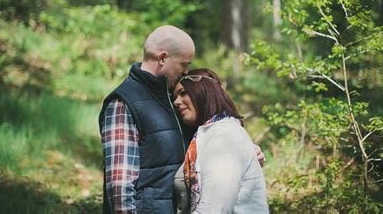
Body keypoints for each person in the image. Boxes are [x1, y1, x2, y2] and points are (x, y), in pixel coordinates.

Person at [99, 25, 265, 214]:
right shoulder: (123, 102)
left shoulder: (173, 98)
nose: (187, 72)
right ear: (162, 58)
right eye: (184, 65)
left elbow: (208, 140)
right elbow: (119, 184)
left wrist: (244, 153)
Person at [173, 68, 269, 213]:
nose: (176, 102)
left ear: (204, 91)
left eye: (183, 93)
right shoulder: (208, 134)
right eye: (174, 96)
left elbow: (215, 208)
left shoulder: (224, 136)